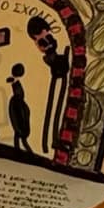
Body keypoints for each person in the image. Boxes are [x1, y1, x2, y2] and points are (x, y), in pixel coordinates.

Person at [26, 16, 70, 152]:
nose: (48, 43)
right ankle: (48, 141)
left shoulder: (61, 52)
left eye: (49, 38)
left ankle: (54, 140)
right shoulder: (45, 59)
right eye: (42, 42)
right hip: (53, 73)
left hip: (59, 70)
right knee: (51, 107)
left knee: (59, 106)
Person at [7, 64, 33, 153]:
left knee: (20, 135)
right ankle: (19, 150)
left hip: (19, 110)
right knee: (18, 135)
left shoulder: (18, 97)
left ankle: (22, 150)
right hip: (18, 110)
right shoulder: (17, 97)